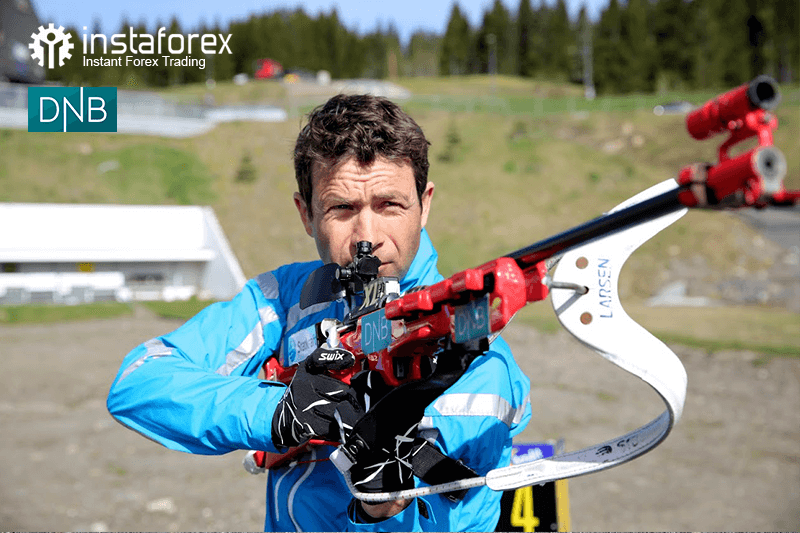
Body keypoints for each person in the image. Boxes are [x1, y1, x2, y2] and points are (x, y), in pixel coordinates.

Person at [107, 94, 531, 531]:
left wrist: (382, 511)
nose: (368, 236)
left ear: (424, 205)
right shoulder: (284, 298)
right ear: (306, 214)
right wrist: (276, 413)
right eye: (342, 208)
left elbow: (460, 516)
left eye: (390, 205)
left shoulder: (481, 367)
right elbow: (137, 382)